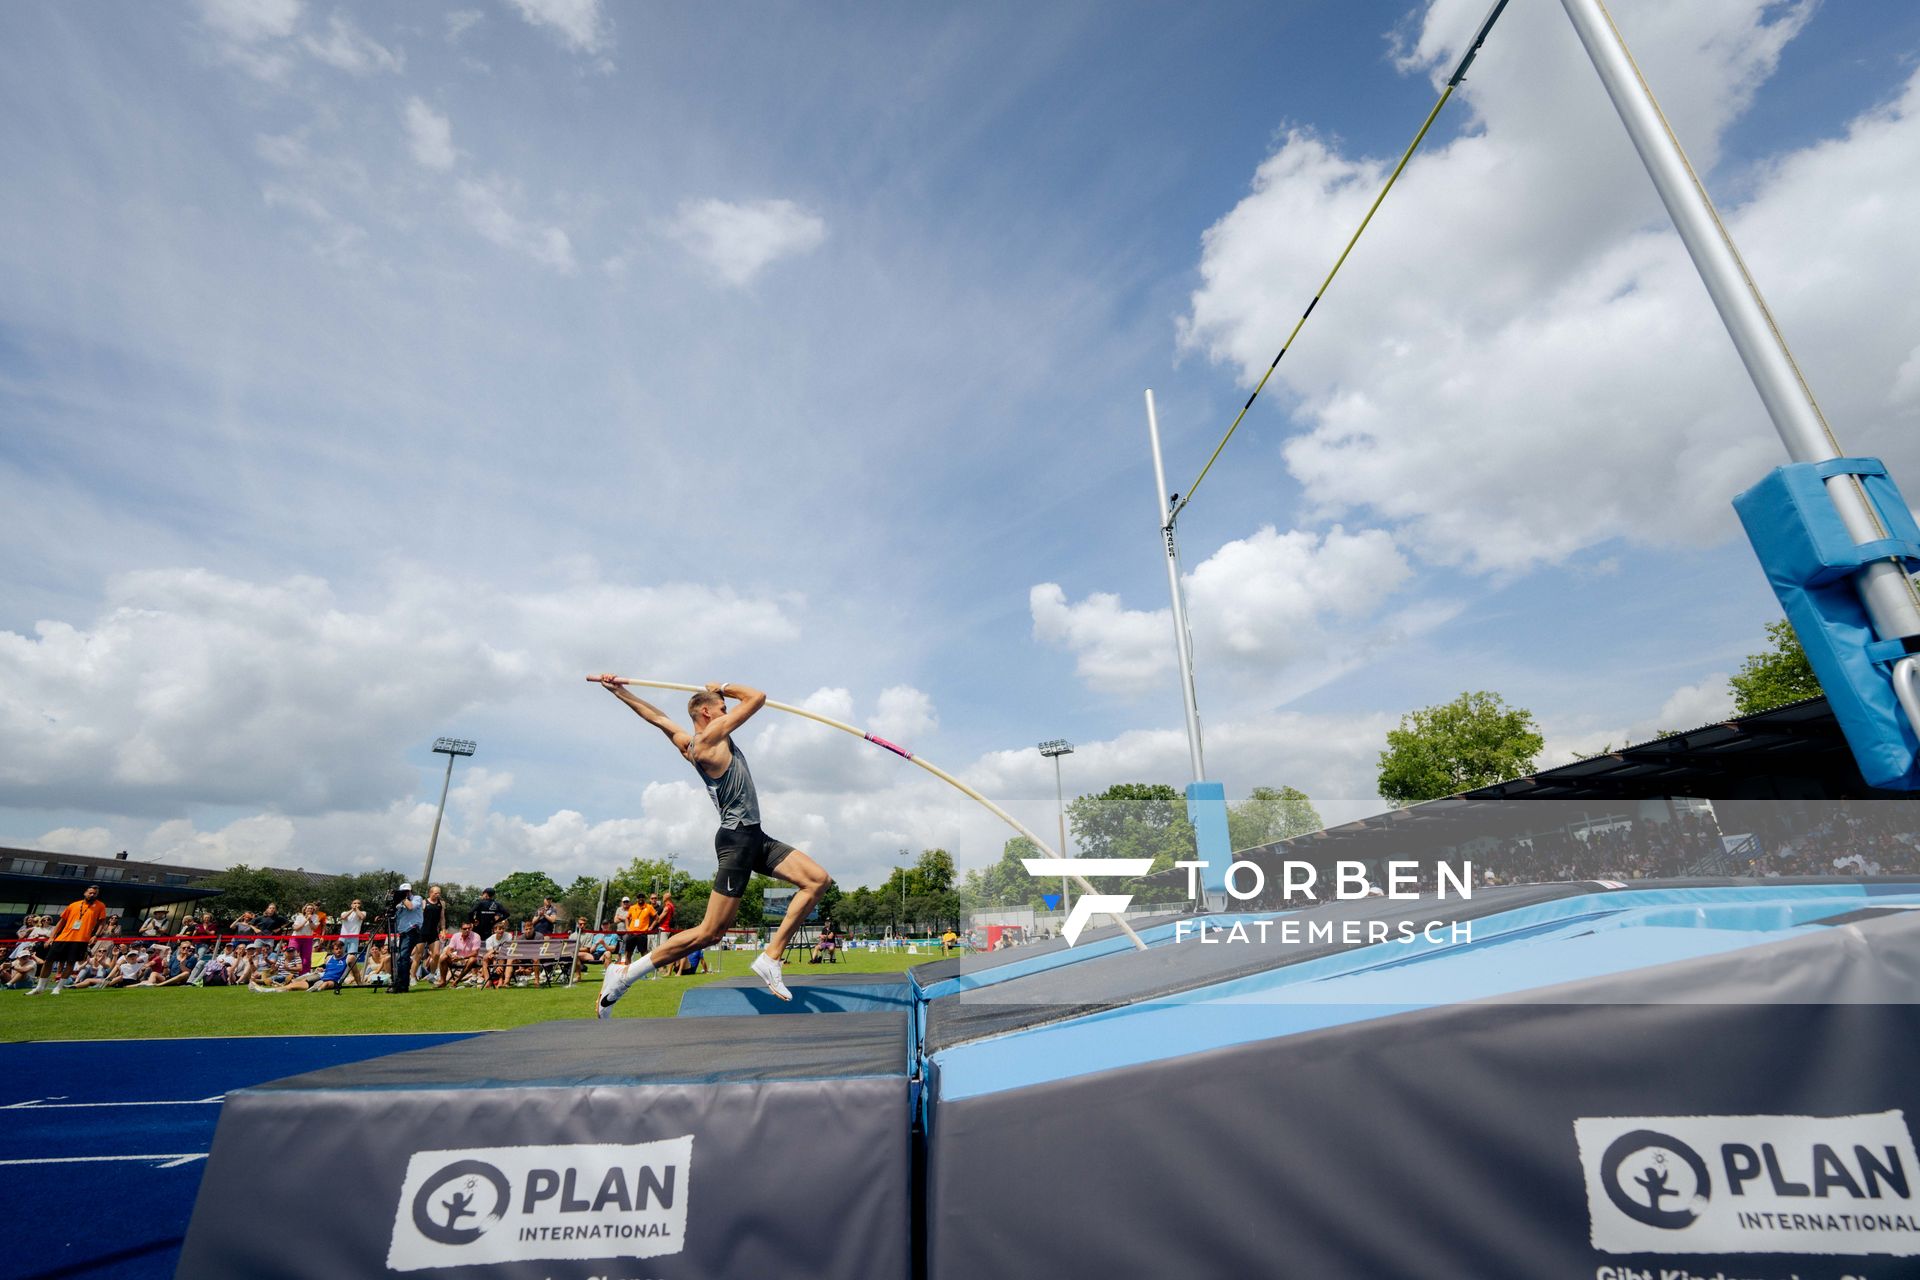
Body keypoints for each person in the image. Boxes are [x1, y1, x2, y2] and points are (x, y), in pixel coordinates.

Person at [592, 678, 832, 1016]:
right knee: (709, 933)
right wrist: (725, 685)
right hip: (737, 841)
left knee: (817, 880)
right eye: (722, 708)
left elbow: (657, 717)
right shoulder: (707, 741)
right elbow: (757, 697)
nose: (727, 711)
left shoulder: (688, 742)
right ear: (706, 713)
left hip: (754, 836)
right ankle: (626, 974)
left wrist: (618, 691)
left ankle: (770, 956)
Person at [31, 884, 109, 995]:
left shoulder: (100, 906)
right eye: (90, 892)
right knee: (48, 961)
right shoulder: (73, 905)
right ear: (85, 893)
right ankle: (39, 987)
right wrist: (52, 937)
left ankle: (58, 988)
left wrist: (96, 935)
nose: (92, 895)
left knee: (70, 963)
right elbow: (61, 921)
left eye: (95, 893)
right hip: (63, 937)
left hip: (81, 939)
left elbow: (102, 922)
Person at [391, 883, 424, 994]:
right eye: (404, 892)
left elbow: (410, 907)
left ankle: (403, 985)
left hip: (412, 930)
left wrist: (402, 898)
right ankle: (400, 983)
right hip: (403, 931)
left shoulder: (417, 898)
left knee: (403, 957)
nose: (407, 893)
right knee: (401, 958)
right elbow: (394, 915)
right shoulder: (400, 903)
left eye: (408, 891)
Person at [438, 919, 485, 988]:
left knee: (472, 959)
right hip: (459, 959)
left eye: (469, 928)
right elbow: (449, 950)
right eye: (465, 929)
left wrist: (462, 957)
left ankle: (457, 981)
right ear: (461, 929)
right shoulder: (456, 936)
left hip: (470, 960)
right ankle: (443, 981)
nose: (467, 930)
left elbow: (475, 953)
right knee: (443, 957)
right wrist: (452, 956)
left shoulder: (476, 936)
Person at [416, 886, 446, 983]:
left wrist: (443, 929)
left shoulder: (441, 903)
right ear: (430, 893)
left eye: (439, 893)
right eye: (436, 893)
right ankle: (412, 976)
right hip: (422, 931)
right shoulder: (424, 902)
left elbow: (442, 918)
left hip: (433, 932)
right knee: (418, 955)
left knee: (437, 954)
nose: (438, 895)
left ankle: (432, 975)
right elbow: (418, 917)